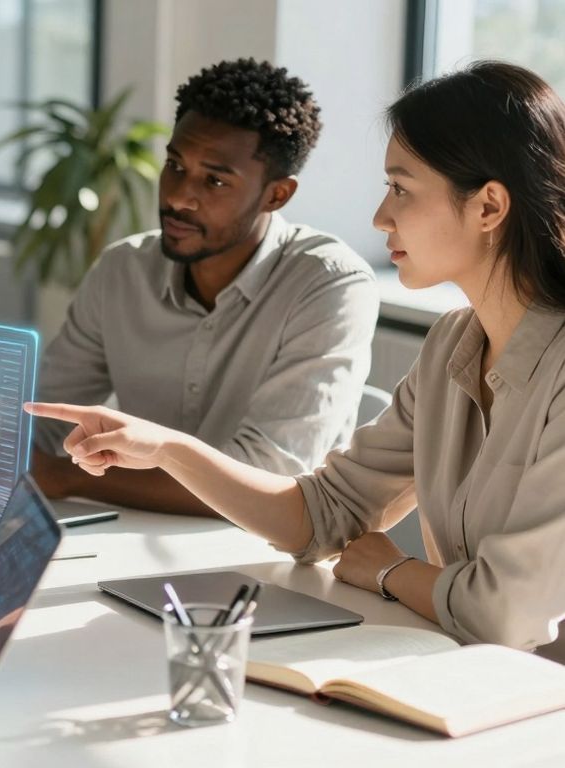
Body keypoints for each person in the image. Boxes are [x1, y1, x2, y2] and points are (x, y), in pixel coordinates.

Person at [28, 60, 565, 658]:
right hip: (462, 674)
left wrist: (392, 572)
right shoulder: (450, 345)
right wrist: (167, 447)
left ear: (488, 208)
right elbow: (323, 514)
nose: (380, 217)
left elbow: (505, 612)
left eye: (401, 188)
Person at [32, 58, 379, 516]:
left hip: (260, 554)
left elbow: (268, 475)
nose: (178, 196)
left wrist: (61, 476)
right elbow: (43, 424)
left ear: (277, 195)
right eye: (175, 165)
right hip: (127, 536)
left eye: (214, 180)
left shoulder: (330, 285)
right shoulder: (123, 270)